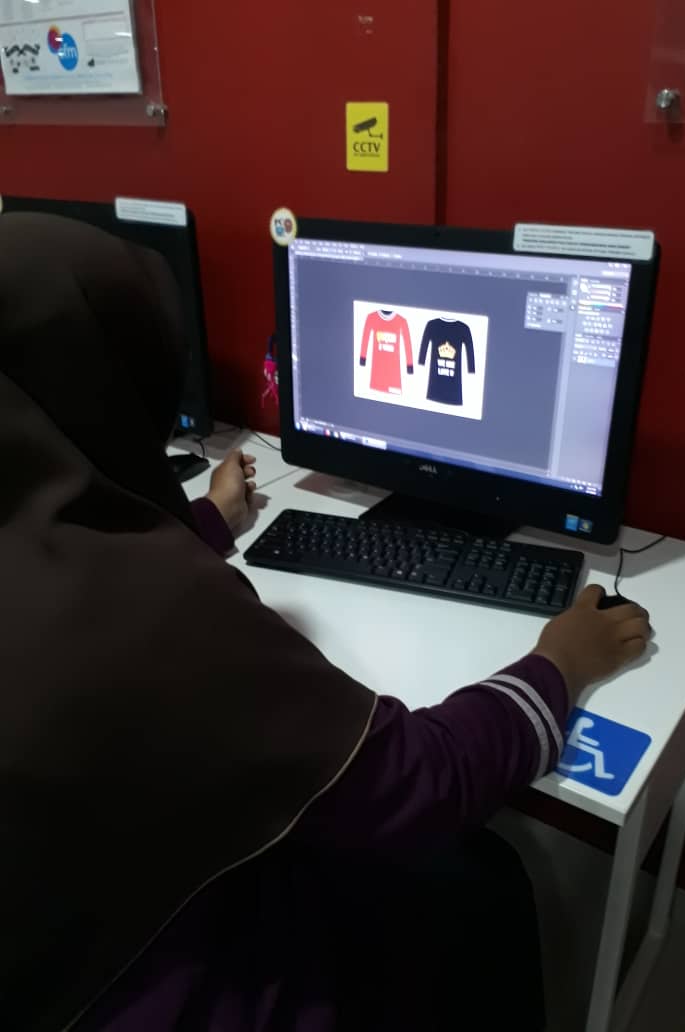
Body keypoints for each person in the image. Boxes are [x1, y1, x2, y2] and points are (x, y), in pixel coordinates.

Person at [0, 213, 651, 1032]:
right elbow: (423, 777)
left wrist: (208, 524)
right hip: (156, 981)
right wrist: (561, 662)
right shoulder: (147, 613)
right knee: (478, 875)